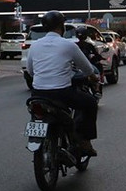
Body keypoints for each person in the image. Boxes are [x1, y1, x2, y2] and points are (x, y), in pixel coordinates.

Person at [25, 11, 100, 157]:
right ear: (62, 26)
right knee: (90, 103)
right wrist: (93, 78)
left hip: (38, 93)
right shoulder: (68, 45)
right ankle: (85, 141)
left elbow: (30, 71)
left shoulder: (34, 46)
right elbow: (87, 69)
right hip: (62, 93)